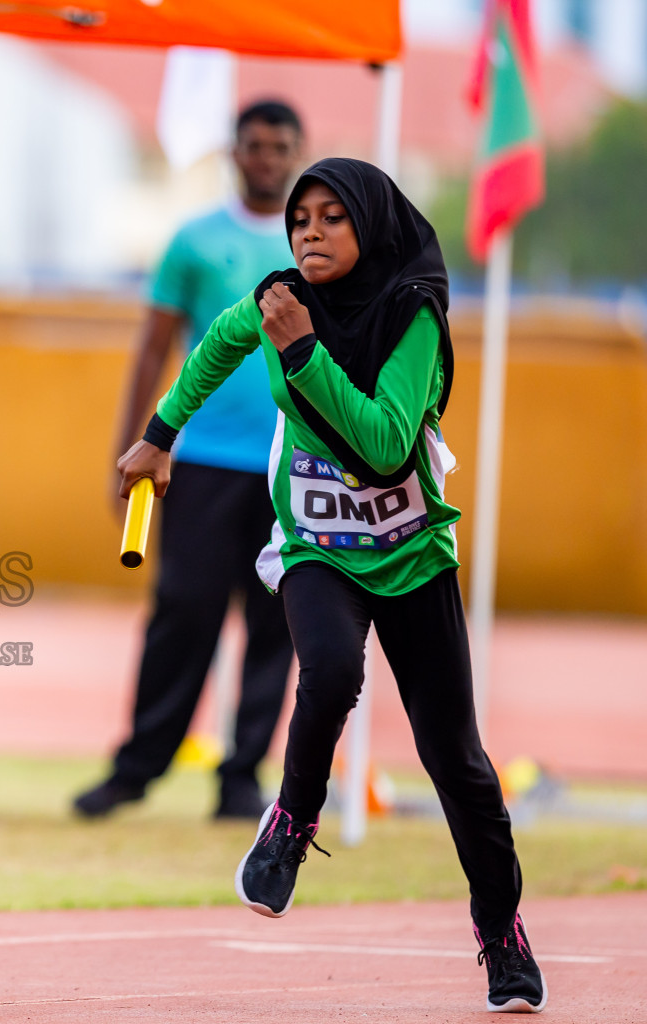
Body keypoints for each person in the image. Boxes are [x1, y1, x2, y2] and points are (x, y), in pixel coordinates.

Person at [116, 158, 545, 1013]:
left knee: (456, 760)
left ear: (372, 225)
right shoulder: (279, 299)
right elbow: (215, 347)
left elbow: (384, 446)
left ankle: (501, 933)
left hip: (409, 552)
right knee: (332, 669)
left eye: (331, 218)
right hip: (316, 542)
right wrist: (160, 434)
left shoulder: (413, 313)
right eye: (299, 219)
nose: (309, 232)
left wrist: (303, 353)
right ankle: (291, 824)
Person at [75, 100, 303, 822]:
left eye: (278, 145)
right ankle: (136, 768)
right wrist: (137, 442)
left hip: (288, 465)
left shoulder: (319, 247)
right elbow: (152, 348)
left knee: (278, 622)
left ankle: (242, 778)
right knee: (184, 613)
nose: (265, 156)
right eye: (253, 145)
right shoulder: (194, 240)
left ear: (298, 152)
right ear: (233, 153)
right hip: (198, 458)